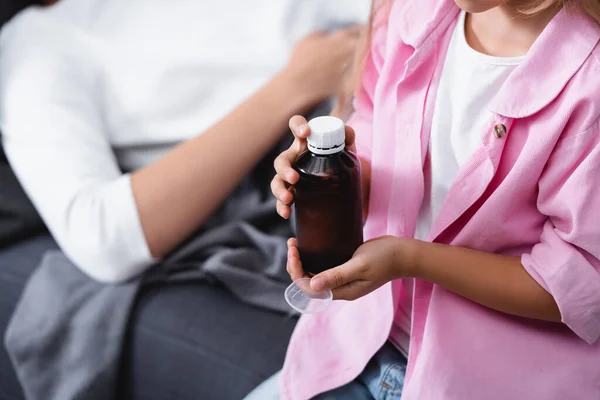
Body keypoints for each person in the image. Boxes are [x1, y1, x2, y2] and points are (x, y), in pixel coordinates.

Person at [246, 0, 600, 398]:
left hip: (487, 381)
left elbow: (577, 284)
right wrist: (333, 176)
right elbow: (377, 137)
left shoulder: (589, 84)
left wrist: (409, 259)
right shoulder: (410, 13)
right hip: (355, 347)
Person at [0, 0, 371, 282]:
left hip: (391, 52)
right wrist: (298, 84)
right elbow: (101, 235)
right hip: (334, 134)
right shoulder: (39, 46)